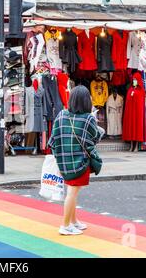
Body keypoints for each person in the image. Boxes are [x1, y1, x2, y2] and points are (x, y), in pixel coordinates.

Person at [48, 85, 103, 235]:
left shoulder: (61, 115)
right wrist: (95, 122)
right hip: (80, 162)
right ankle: (65, 225)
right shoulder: (88, 118)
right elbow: (93, 140)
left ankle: (73, 221)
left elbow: (52, 141)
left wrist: (60, 156)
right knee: (72, 193)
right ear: (86, 101)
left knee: (72, 191)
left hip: (63, 162)